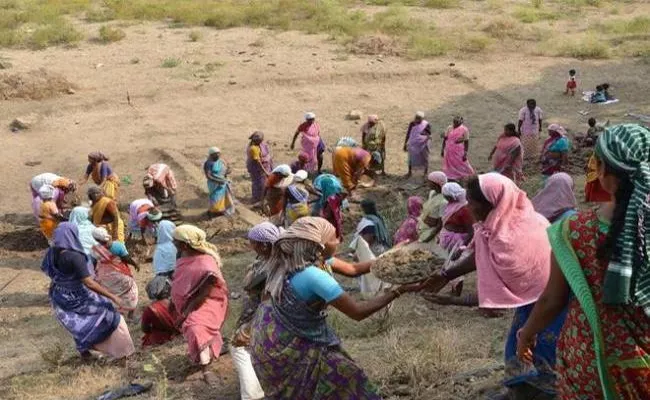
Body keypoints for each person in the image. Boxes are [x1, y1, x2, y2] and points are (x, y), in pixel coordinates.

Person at [517, 124, 650, 400]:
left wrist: (527, 333)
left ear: (601, 171)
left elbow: (552, 299)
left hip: (589, 361)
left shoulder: (574, 230)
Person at [422, 173, 567, 399]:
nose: (467, 206)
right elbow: (482, 251)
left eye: (472, 202)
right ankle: (521, 391)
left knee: (542, 354)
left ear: (492, 203)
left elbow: (504, 293)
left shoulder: (515, 239)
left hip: (551, 304)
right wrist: (446, 274)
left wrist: (454, 300)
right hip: (533, 301)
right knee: (517, 349)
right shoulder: (498, 225)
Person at [250, 217, 421, 399]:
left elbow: (354, 269)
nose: (339, 241)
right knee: (346, 378)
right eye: (333, 238)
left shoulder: (296, 261)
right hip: (290, 347)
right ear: (320, 245)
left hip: (267, 342)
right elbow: (357, 312)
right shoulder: (313, 275)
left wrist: (392, 255)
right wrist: (399, 291)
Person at [42, 223, 134, 360]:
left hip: (61, 296)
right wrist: (112, 296)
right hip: (79, 295)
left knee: (80, 324)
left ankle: (85, 351)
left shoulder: (51, 253)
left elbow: (50, 272)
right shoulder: (75, 257)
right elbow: (89, 282)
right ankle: (123, 352)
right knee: (111, 317)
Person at [171, 225, 229, 384]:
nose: (173, 243)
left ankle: (206, 369)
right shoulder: (183, 256)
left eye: (175, 241)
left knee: (196, 328)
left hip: (209, 301)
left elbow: (204, 294)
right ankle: (212, 349)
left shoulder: (207, 265)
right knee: (197, 329)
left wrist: (185, 313)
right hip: (190, 301)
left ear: (184, 244)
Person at [232, 223, 283, 400]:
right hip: (258, 312)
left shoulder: (273, 265)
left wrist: (249, 327)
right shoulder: (266, 259)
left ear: (264, 245)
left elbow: (265, 298)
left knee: (239, 348)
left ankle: (252, 394)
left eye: (253, 242)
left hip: (263, 315)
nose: (250, 245)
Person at [92, 227, 140, 319]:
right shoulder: (118, 246)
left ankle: (118, 316)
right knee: (131, 291)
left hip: (104, 276)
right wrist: (135, 264)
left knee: (111, 294)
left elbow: (94, 263)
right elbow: (126, 259)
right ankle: (131, 314)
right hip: (120, 274)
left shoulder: (94, 249)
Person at [438, 182, 473, 252]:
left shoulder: (464, 209)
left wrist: (462, 248)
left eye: (445, 195)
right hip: (447, 237)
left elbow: (471, 231)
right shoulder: (449, 204)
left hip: (456, 241)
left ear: (450, 196)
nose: (444, 197)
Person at [417, 171, 448, 243]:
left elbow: (440, 224)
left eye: (429, 181)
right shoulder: (432, 193)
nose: (427, 183)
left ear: (436, 183)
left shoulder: (444, 201)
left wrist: (428, 238)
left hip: (431, 231)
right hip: (423, 226)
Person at [204, 147, 235, 217]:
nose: (218, 155)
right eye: (215, 154)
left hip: (223, 182)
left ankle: (221, 210)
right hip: (214, 184)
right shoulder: (208, 163)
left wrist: (228, 171)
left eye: (219, 154)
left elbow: (226, 170)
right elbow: (208, 176)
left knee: (224, 197)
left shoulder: (221, 161)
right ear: (211, 155)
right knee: (215, 197)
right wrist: (218, 181)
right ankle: (213, 212)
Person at [313, 174, 345, 241]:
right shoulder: (336, 196)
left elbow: (326, 216)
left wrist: (320, 212)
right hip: (337, 222)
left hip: (330, 227)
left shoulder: (329, 201)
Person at [246, 131, 273, 204]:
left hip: (264, 165)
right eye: (260, 140)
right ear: (256, 140)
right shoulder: (253, 148)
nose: (262, 142)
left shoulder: (261, 145)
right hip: (257, 168)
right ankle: (257, 198)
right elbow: (258, 162)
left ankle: (262, 197)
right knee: (258, 183)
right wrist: (265, 171)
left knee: (263, 182)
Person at [404, 111, 432, 178]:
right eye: (416, 118)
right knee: (410, 158)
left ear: (422, 119)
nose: (417, 120)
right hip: (413, 144)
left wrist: (422, 136)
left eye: (418, 118)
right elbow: (408, 133)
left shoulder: (426, 124)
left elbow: (429, 134)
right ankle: (409, 172)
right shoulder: (412, 124)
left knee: (425, 157)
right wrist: (405, 143)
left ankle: (425, 173)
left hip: (423, 144)